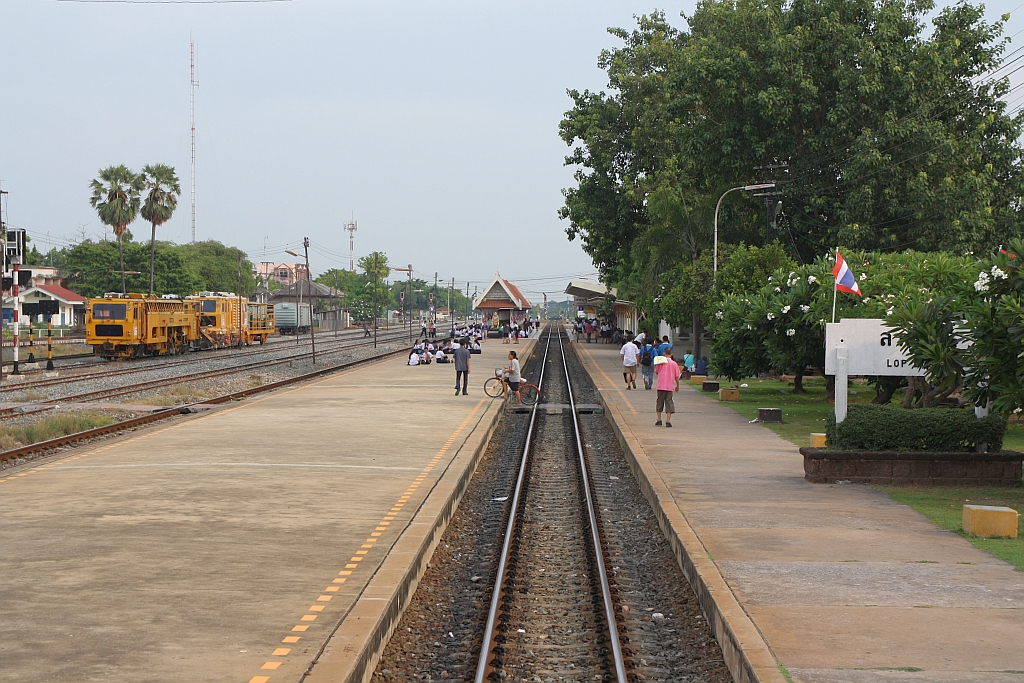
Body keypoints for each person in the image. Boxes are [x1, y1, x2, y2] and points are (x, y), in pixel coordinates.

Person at [654, 349, 681, 427]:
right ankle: (668, 421)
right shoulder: (674, 364)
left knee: (659, 401)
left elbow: (656, 372)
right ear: (671, 354)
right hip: (669, 386)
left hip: (661, 385)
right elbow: (677, 376)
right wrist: (677, 385)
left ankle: (659, 419)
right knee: (669, 402)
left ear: (664, 353)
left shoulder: (660, 363)